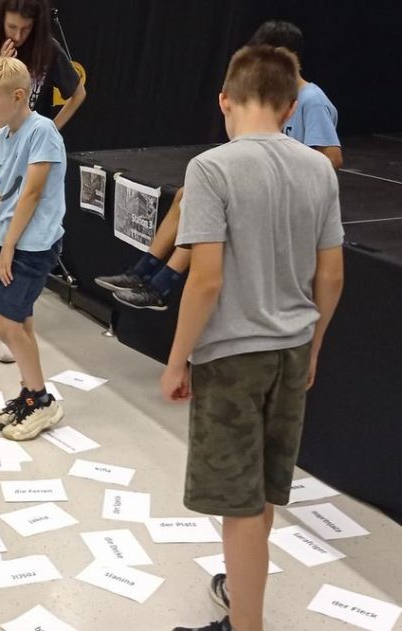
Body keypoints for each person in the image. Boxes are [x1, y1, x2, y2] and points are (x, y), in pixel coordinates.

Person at [163, 45, 344, 631]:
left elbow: (206, 280)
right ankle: (243, 602)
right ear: (291, 107)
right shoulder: (318, 169)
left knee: (237, 504)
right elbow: (331, 276)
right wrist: (314, 346)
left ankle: (247, 625)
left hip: (232, 357)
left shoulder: (210, 169)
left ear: (224, 99)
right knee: (262, 491)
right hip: (291, 350)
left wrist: (177, 359)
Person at [97, 19, 342, 312]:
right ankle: (143, 271)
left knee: (210, 208)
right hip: (264, 181)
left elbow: (332, 157)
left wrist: (289, 167)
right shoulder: (276, 99)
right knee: (186, 195)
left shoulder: (311, 100)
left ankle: (162, 285)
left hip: (287, 193)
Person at [0, 0, 85, 362]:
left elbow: (78, 93)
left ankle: (11, 319)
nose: (18, 35)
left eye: (25, 29)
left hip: (28, 153)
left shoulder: (48, 50)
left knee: (18, 242)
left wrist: (51, 129)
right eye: (12, 27)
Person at [0, 56, 66, 441]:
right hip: (12, 240)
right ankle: (29, 393)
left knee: (5, 323)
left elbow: (32, 194)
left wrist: (7, 249)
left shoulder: (43, 132)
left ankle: (42, 401)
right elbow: (2, 194)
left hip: (34, 246)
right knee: (20, 324)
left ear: (18, 96)